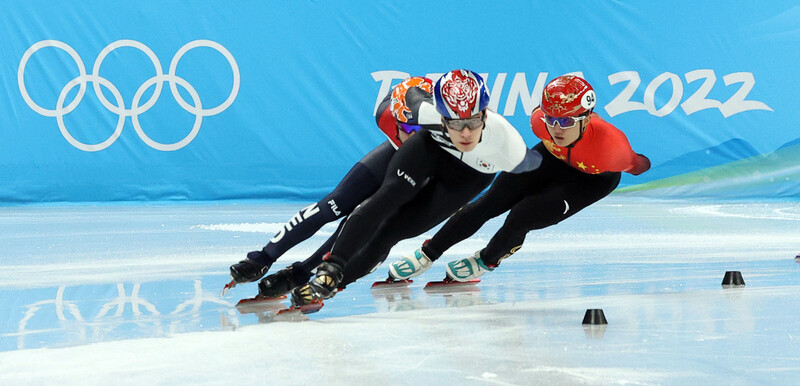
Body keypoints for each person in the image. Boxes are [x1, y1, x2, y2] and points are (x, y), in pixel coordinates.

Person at [293, 69, 542, 306]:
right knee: (383, 202)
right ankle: (329, 271)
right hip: (431, 150)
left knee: (391, 232)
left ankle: (332, 286)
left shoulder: (510, 147)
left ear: (485, 115)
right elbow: (410, 91)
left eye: (473, 122)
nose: (465, 133)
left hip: (468, 177)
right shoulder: (425, 110)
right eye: (454, 123)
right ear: (441, 116)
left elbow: (534, 165)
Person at [387, 74, 651, 282]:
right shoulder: (539, 122)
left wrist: (638, 162)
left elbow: (638, 164)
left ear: (587, 118)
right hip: (549, 159)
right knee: (488, 203)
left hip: (592, 179)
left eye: (567, 122)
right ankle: (428, 253)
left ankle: (487, 259)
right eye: (552, 119)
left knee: (522, 216)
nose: (557, 129)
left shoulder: (613, 150)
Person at [227, 76, 434, 298]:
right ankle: (263, 258)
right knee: (331, 205)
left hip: (424, 166)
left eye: (421, 131)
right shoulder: (385, 115)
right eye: (407, 129)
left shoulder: (444, 128)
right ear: (395, 122)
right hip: (393, 153)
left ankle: (302, 273)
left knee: (361, 222)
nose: (413, 137)